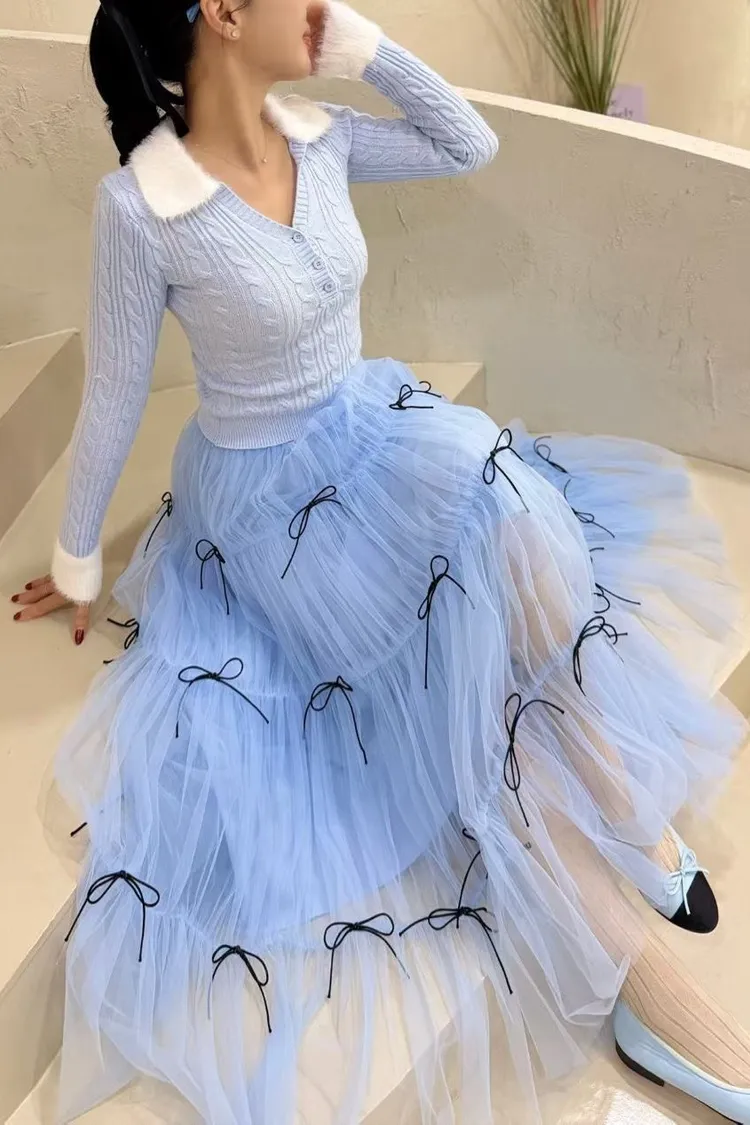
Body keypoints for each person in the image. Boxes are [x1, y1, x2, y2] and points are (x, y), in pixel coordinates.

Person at [11, 1, 750, 1121]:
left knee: (509, 509)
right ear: (222, 15)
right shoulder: (142, 207)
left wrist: (363, 49)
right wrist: (75, 560)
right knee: (443, 667)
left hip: (371, 426)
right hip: (267, 500)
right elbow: (114, 392)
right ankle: (639, 980)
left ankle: (614, 790)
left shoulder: (320, 135)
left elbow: (468, 142)